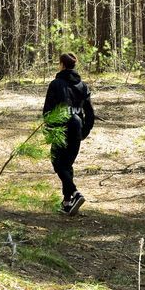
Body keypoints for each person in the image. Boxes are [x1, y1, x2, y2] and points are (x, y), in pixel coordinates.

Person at [42, 52, 93, 215]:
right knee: (67, 165)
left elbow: (48, 110)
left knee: (58, 163)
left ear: (62, 65)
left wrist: (49, 130)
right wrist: (84, 131)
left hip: (61, 130)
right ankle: (67, 202)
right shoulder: (83, 86)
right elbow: (90, 113)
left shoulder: (56, 84)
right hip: (77, 129)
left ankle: (75, 193)